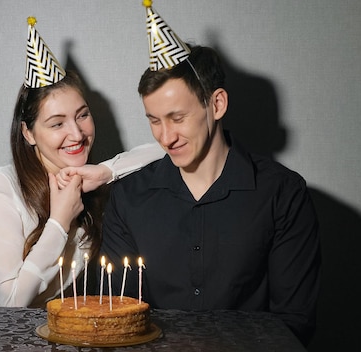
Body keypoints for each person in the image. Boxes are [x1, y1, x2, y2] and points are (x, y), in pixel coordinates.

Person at [99, 3, 321, 346]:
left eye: (177, 117)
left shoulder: (282, 194)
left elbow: (293, 323)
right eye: (154, 121)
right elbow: (118, 318)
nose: (165, 137)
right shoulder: (128, 199)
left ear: (216, 105)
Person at [0, 18, 163, 308]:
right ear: (28, 133)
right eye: (57, 123)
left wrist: (106, 171)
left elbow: (168, 148)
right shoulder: (1, 187)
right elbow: (11, 301)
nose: (77, 133)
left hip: (32, 336)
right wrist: (59, 221)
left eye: (82, 115)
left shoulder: (89, 186)